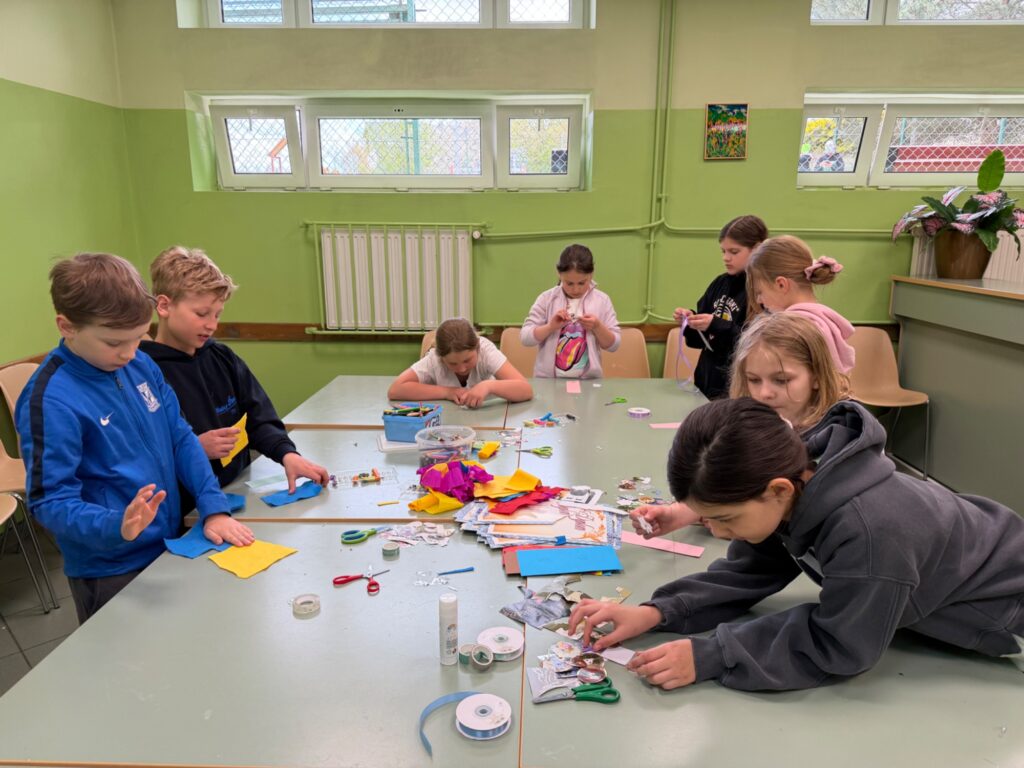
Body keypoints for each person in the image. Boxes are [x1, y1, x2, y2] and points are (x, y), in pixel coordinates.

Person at [570, 397, 1024, 691]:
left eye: (726, 519)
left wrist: (713, 654)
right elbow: (750, 570)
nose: (718, 532)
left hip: (1004, 607)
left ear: (779, 490)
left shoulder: (870, 535)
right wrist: (657, 612)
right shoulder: (796, 475)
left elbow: (841, 643)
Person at [16, 253, 254, 624]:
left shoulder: (141, 363)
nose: (129, 353)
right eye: (114, 342)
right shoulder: (50, 400)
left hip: (170, 543)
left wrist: (213, 506)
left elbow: (181, 437)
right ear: (67, 326)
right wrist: (116, 525)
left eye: (137, 337)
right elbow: (50, 501)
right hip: (111, 567)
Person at [630, 312, 850, 538]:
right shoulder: (757, 429)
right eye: (754, 380)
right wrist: (679, 514)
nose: (764, 393)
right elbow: (734, 484)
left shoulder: (838, 445)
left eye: (782, 380)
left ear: (817, 376)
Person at [141, 246, 328, 495]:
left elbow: (259, 417)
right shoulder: (144, 373)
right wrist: (193, 448)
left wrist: (287, 455)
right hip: (188, 502)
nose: (212, 325)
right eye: (201, 314)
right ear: (164, 306)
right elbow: (143, 454)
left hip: (237, 490)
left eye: (217, 315)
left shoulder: (222, 357)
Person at [674, 215, 767, 399]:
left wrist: (715, 324)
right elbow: (699, 341)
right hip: (706, 384)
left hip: (739, 390)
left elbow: (757, 344)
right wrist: (691, 322)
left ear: (757, 249)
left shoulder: (763, 290)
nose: (726, 258)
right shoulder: (720, 283)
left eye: (734, 252)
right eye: (723, 251)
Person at [746, 235, 855, 373]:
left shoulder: (790, 328)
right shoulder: (824, 319)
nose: (759, 300)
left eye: (759, 292)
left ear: (781, 284)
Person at [521, 244, 621, 378]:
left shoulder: (602, 300)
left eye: (582, 283)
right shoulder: (546, 299)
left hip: (589, 382)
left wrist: (597, 327)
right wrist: (550, 327)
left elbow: (614, 345)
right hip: (548, 381)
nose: (576, 289)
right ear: (559, 274)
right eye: (569, 283)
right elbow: (525, 338)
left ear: (591, 274)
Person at [388, 318, 533, 408]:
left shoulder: (486, 350)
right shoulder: (434, 359)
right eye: (452, 364)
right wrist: (447, 392)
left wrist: (488, 386)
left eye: (467, 360)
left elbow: (526, 390)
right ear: (441, 357)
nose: (462, 368)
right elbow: (395, 390)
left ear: (477, 347)